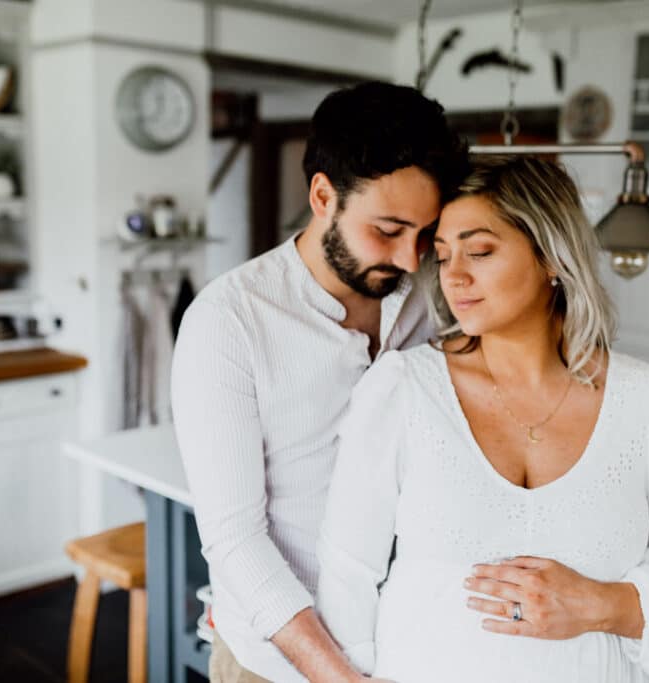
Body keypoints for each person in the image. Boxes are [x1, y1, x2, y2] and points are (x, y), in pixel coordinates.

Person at [316, 155, 649, 683]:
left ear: (552, 258)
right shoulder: (403, 389)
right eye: (443, 257)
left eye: (481, 251)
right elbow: (347, 573)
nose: (455, 276)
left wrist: (597, 605)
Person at [171, 81, 469, 682]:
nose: (411, 261)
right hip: (280, 663)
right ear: (323, 195)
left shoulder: (428, 295)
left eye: (424, 235)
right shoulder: (229, 321)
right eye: (387, 230)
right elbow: (234, 542)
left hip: (411, 643)